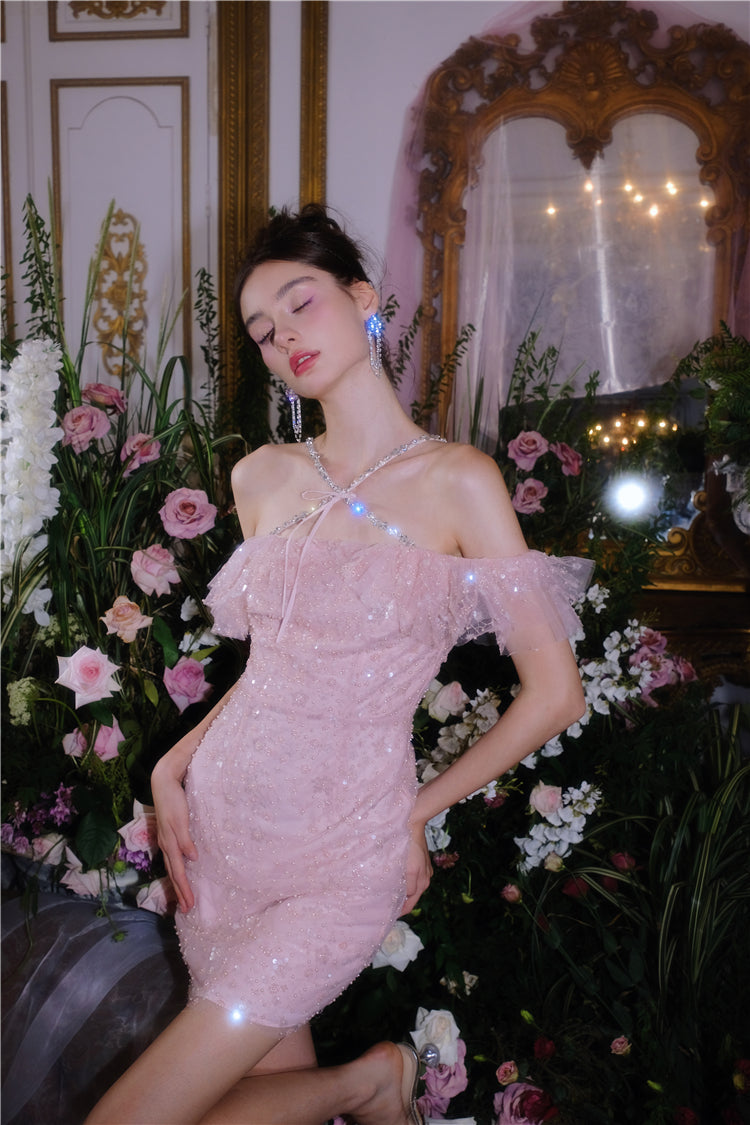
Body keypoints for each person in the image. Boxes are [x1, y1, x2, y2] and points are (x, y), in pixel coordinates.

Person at [85, 205, 589, 1125]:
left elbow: (556, 694)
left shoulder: (458, 480)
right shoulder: (261, 478)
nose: (282, 337)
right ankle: (371, 1091)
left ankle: (370, 1082)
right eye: (261, 330)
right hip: (223, 843)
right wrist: (169, 766)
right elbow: (276, 670)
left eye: (300, 302)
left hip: (344, 850)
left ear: (362, 299)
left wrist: (415, 810)